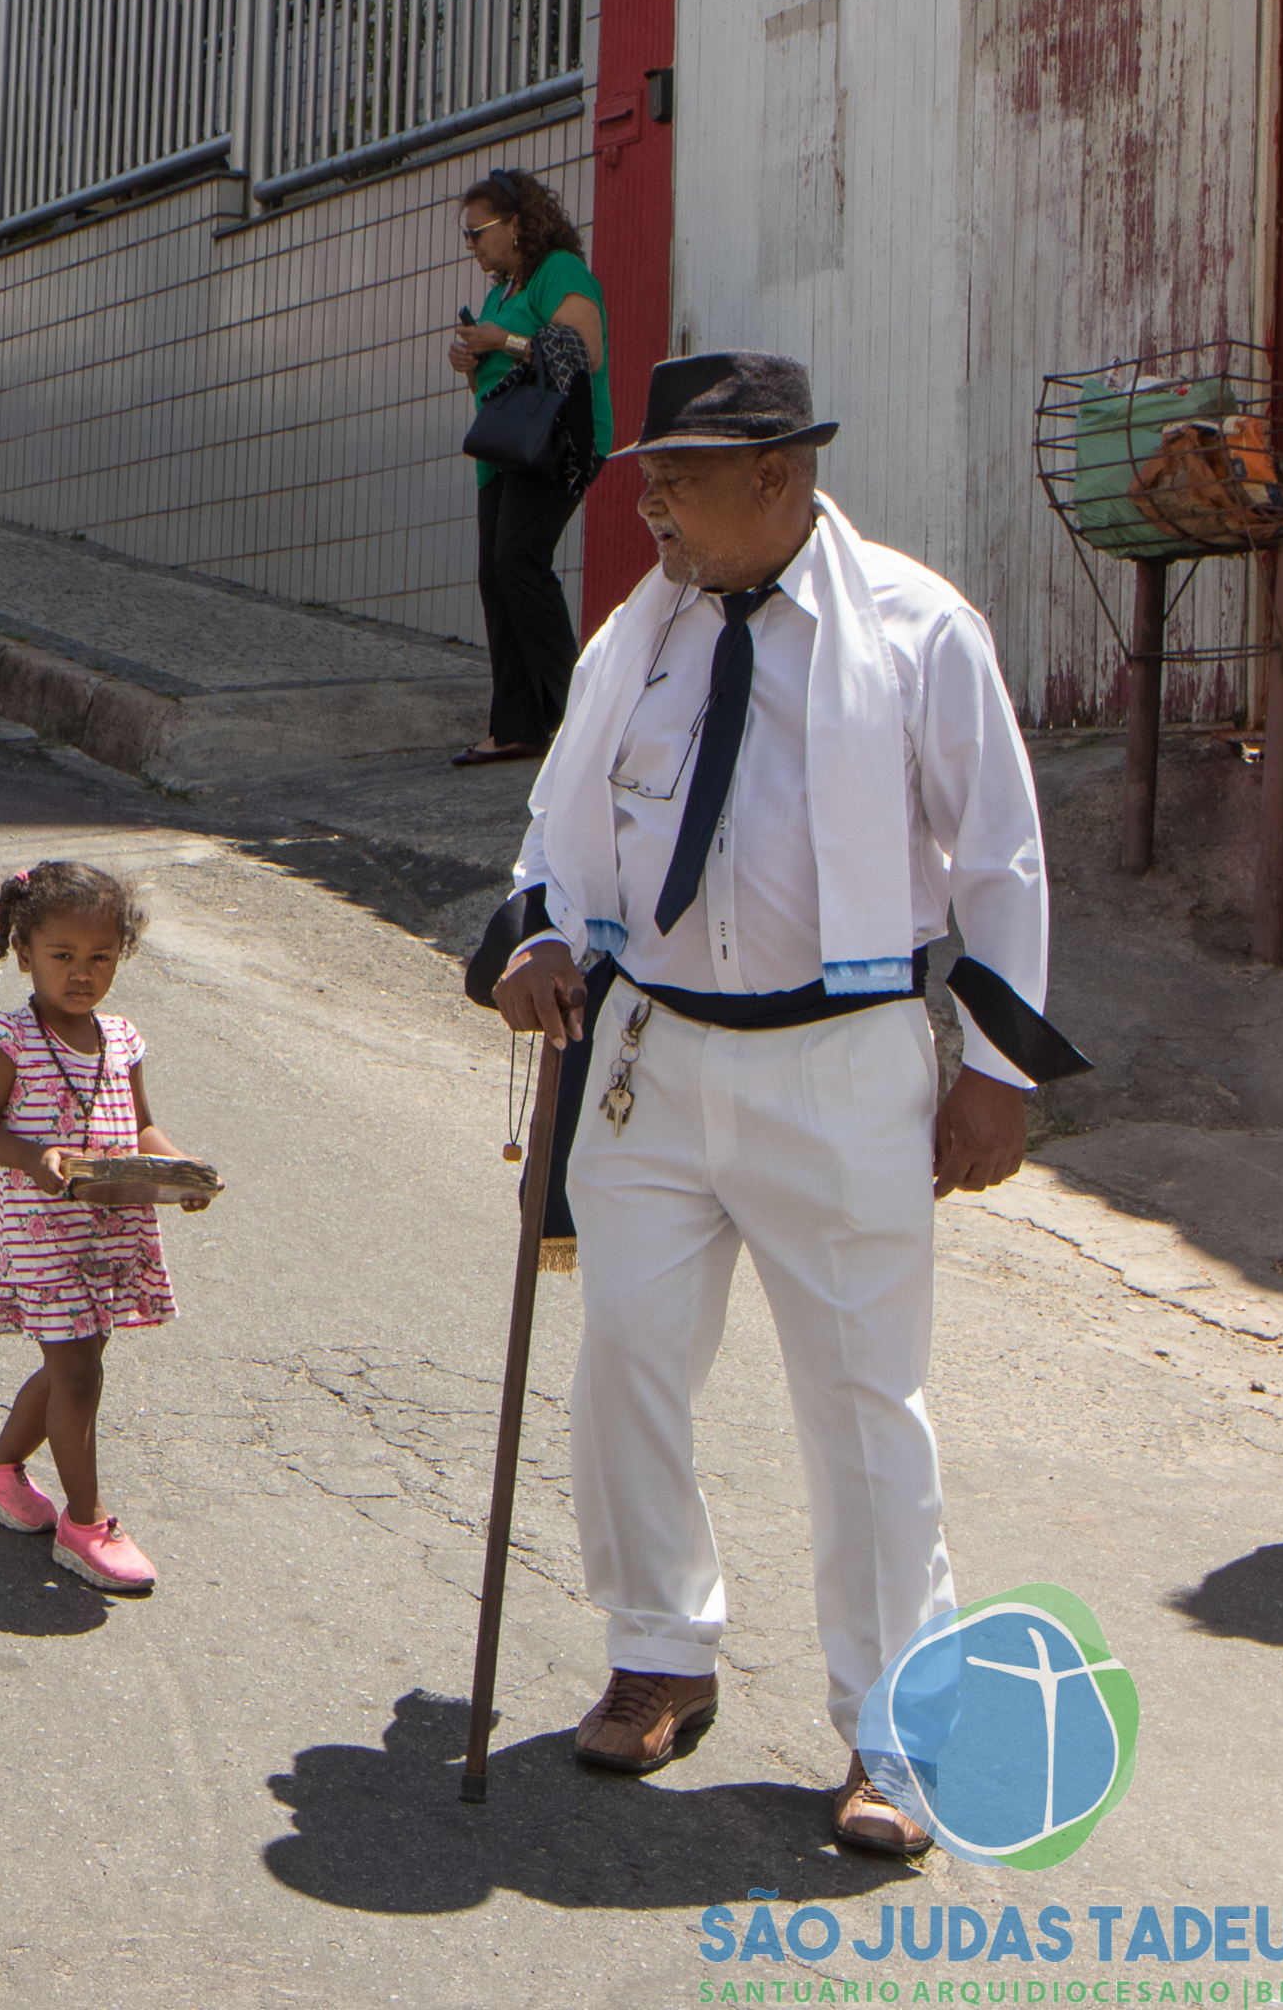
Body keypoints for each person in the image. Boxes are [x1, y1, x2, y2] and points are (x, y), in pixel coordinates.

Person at [484, 351, 1084, 1856]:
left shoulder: (914, 629)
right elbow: (558, 820)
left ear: (779, 478)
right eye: (650, 480)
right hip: (655, 1061)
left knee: (865, 1402)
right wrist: (537, 938)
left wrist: (998, 1077)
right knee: (625, 1355)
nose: (653, 505)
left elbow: (1001, 857)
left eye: (678, 479)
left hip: (845, 1060)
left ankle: (894, 1729)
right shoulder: (647, 627)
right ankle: (658, 1648)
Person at [0, 861, 205, 1595]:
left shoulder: (121, 1038)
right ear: (25, 952)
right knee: (77, 1372)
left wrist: (182, 1170)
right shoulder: (9, 1038)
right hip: (42, 1234)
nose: (81, 975)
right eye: (62, 957)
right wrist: (36, 1157)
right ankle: (86, 1522)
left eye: (100, 958)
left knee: (77, 1366)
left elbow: (145, 1125)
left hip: (109, 1230)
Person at [445, 168, 614, 766]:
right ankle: (517, 725)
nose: (471, 244)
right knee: (498, 575)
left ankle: (582, 718)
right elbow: (503, 377)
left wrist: (502, 342)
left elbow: (583, 350)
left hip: (558, 444)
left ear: (517, 225)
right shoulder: (502, 292)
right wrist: (471, 359)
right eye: (466, 236)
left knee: (519, 560)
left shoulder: (558, 271)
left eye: (478, 232)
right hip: (507, 450)